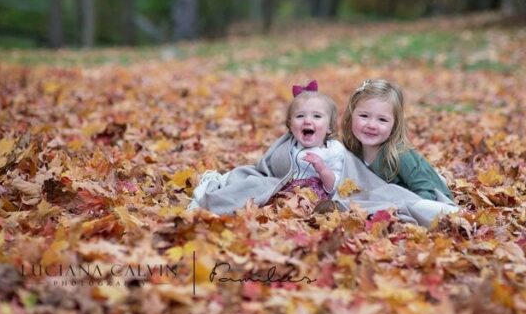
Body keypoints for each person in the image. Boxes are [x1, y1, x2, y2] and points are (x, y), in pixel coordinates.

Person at [187, 80, 345, 214]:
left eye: (316, 116)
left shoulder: (332, 150)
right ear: (290, 125)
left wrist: (322, 169)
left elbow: (334, 185)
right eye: (300, 116)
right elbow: (270, 165)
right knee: (252, 186)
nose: (307, 121)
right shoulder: (290, 144)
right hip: (281, 187)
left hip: (312, 195)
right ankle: (214, 197)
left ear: (329, 127)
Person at [341, 79, 455, 203]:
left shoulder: (399, 154)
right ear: (350, 115)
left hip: (425, 201)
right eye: (364, 116)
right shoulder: (352, 150)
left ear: (394, 125)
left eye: (382, 120)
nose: (372, 125)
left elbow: (426, 191)